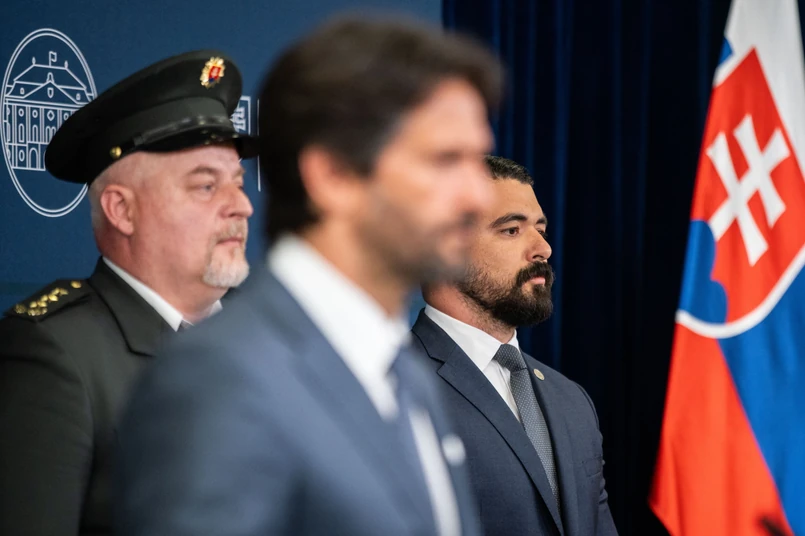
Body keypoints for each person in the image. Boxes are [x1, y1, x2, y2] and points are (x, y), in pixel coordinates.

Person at [115, 17, 502, 536]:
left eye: (478, 160)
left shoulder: (406, 371)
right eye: (445, 160)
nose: (478, 195)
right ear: (333, 175)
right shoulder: (221, 377)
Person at [0, 50, 256, 536]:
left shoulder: (271, 332)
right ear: (122, 210)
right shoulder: (57, 355)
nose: (241, 205)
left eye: (238, 183)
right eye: (206, 186)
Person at [412, 155, 618, 536]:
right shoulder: (395, 391)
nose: (543, 248)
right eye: (511, 230)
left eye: (541, 229)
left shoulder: (572, 401)